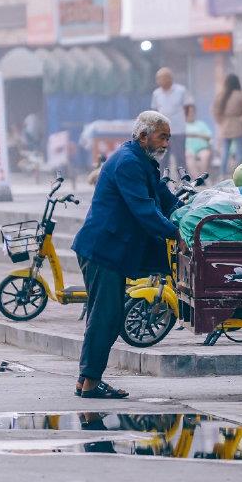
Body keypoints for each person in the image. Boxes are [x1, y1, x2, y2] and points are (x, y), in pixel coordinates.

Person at [72, 111, 180, 400]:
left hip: (110, 249)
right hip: (103, 249)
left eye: (169, 137)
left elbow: (164, 197)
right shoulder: (129, 163)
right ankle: (91, 382)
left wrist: (185, 211)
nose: (166, 143)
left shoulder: (142, 161)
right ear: (143, 135)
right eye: (162, 136)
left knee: (105, 316)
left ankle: (86, 379)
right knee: (106, 316)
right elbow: (144, 209)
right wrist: (176, 232)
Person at [151, 68, 191, 176]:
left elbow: (187, 107)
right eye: (158, 79)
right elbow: (154, 111)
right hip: (161, 133)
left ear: (170, 78)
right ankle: (162, 184)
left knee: (180, 159)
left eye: (162, 78)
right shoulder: (156, 93)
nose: (159, 81)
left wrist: (184, 120)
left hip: (178, 130)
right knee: (162, 159)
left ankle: (184, 183)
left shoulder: (181, 90)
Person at [213, 73, 242, 174]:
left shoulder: (221, 95)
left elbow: (215, 109)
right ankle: (239, 174)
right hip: (237, 123)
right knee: (239, 151)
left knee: (225, 151)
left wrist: (220, 121)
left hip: (225, 124)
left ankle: (222, 174)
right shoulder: (240, 94)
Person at [184, 102, 212, 179]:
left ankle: (202, 178)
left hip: (202, 148)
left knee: (205, 156)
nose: (192, 114)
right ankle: (196, 179)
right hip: (188, 148)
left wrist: (196, 135)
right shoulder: (183, 126)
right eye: (190, 112)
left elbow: (209, 136)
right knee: (189, 156)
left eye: (193, 112)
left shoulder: (201, 124)